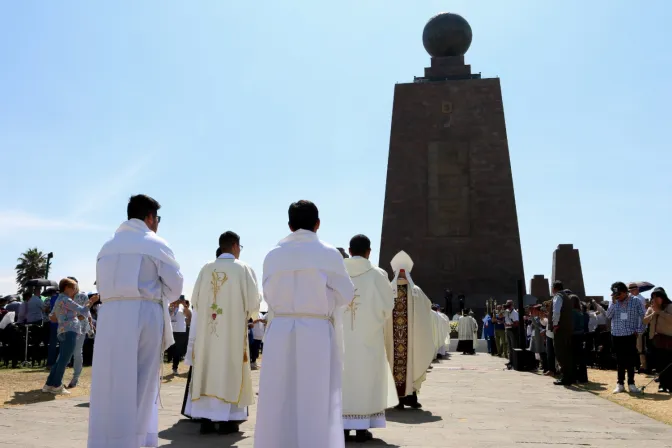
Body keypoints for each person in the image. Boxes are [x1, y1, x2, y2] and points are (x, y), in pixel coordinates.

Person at [255, 200, 355, 448]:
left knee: (278, 395)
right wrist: (325, 297)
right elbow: (346, 295)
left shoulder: (273, 255)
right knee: (316, 396)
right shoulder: (328, 254)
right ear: (318, 224)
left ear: (289, 226)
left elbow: (268, 294)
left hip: (279, 329)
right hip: (317, 331)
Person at [89, 194, 184, 448]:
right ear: (150, 218)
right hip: (143, 314)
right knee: (142, 381)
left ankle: (105, 440)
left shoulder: (107, 246)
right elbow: (175, 288)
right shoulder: (155, 244)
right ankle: (136, 440)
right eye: (157, 219)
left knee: (110, 380)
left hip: (109, 316)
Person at [182, 231, 261, 435]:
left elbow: (196, 300)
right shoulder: (243, 269)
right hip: (232, 334)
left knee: (207, 368)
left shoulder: (206, 268)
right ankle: (228, 421)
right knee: (230, 368)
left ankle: (206, 419)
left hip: (208, 334)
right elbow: (254, 302)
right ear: (235, 246)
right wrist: (249, 315)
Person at [341, 234, 396, 442]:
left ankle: (343, 427)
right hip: (368, 338)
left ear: (350, 249)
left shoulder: (338, 272)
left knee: (344, 378)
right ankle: (362, 427)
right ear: (368, 252)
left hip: (342, 338)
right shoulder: (377, 275)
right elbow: (388, 306)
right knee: (367, 377)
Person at [385, 251, 435, 410]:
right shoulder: (417, 292)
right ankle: (411, 397)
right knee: (412, 362)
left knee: (394, 362)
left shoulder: (387, 290)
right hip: (411, 340)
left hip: (392, 340)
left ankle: (397, 400)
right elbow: (428, 308)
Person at [42, 277, 99, 395]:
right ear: (67, 288)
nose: (75, 290)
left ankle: (49, 384)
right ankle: (57, 385)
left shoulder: (59, 299)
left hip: (63, 330)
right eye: (74, 288)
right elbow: (83, 310)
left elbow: (52, 316)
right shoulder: (66, 299)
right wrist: (91, 301)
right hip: (70, 330)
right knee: (64, 359)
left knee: (61, 359)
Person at [606, 281, 645, 394]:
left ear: (624, 292)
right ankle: (620, 383)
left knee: (630, 360)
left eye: (618, 294)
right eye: (615, 294)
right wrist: (613, 303)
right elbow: (608, 316)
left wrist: (639, 330)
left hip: (630, 335)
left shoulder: (636, 301)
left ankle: (631, 383)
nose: (617, 297)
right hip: (616, 334)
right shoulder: (613, 302)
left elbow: (644, 316)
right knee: (619, 361)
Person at [66, 277, 94, 389]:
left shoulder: (82, 296)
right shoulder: (65, 297)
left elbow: (86, 313)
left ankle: (75, 378)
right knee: (66, 353)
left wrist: (90, 325)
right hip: (67, 328)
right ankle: (57, 379)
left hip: (80, 328)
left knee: (77, 352)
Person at [643, 287, 672, 393]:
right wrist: (653, 313)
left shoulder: (670, 307)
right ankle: (662, 385)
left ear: (663, 297)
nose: (655, 299)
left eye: (657, 297)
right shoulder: (651, 308)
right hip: (655, 340)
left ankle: (670, 385)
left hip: (668, 339)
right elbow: (644, 321)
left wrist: (660, 312)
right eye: (653, 297)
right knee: (659, 364)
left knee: (668, 364)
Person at [551, 281, 575, 385]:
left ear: (553, 288)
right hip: (567, 328)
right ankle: (569, 376)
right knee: (567, 353)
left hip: (560, 329)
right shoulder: (567, 297)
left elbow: (556, 312)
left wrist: (555, 324)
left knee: (561, 353)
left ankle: (566, 378)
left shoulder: (558, 297)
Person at [168, 295, 191, 375]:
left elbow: (188, 316)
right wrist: (173, 307)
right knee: (169, 348)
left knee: (177, 351)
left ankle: (175, 368)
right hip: (170, 330)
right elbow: (168, 315)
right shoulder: (170, 307)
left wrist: (186, 307)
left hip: (180, 332)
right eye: (178, 300)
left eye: (181, 300)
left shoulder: (183, 309)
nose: (179, 301)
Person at [504, 300, 520, 366]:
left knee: (513, 346)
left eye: (509, 305)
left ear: (512, 305)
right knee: (509, 347)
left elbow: (517, 323)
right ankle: (511, 361)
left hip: (513, 330)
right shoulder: (507, 312)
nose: (507, 306)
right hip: (508, 330)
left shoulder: (514, 313)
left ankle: (515, 361)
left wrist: (509, 325)